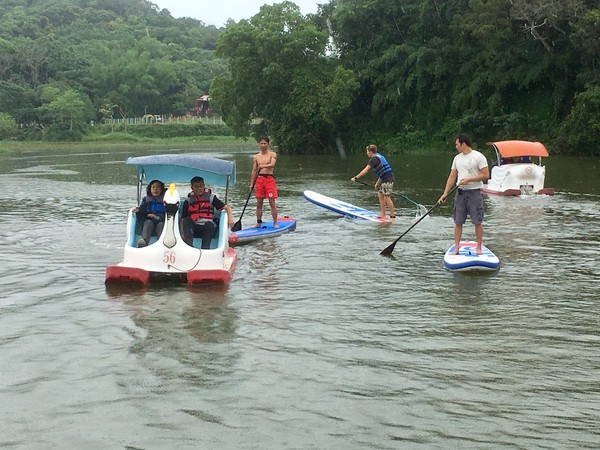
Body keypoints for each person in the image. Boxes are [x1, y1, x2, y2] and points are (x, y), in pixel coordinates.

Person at [438, 134, 489, 255]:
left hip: (474, 192)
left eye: (457, 144)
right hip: (460, 193)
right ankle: (456, 247)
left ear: (463, 144)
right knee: (458, 221)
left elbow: (486, 175)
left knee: (477, 221)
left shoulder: (478, 157)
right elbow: (452, 177)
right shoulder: (457, 158)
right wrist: (445, 194)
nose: (456, 146)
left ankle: (479, 247)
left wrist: (469, 180)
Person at [181, 176, 234, 249]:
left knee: (209, 224)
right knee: (187, 220)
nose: (198, 189)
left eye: (200, 186)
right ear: (192, 188)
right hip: (194, 229)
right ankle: (189, 246)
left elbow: (227, 208)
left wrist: (230, 220)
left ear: (204, 186)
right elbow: (183, 219)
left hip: (208, 229)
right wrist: (182, 236)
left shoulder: (211, 198)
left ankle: (205, 249)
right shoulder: (188, 200)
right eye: (196, 187)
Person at [350, 144, 395, 220]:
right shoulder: (379, 156)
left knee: (387, 197)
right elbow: (383, 172)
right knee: (380, 194)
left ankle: (392, 217)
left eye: (367, 151)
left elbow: (365, 170)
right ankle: (383, 215)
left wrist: (356, 177)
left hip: (388, 179)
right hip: (384, 178)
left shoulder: (374, 159)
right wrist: (378, 183)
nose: (367, 153)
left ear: (370, 151)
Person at [250, 136, 278, 228]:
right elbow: (254, 171)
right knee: (259, 202)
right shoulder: (256, 157)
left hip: (269, 179)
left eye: (265, 143)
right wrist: (251, 184)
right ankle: (258, 222)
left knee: (271, 202)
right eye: (261, 143)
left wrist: (263, 166)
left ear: (268, 144)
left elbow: (272, 164)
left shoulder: (272, 154)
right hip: (260, 179)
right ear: (259, 144)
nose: (263, 145)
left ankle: (275, 223)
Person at [134, 179, 166, 248]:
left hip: (161, 221)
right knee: (148, 222)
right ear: (150, 188)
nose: (155, 189)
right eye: (153, 187)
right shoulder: (146, 200)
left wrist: (158, 217)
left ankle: (161, 244)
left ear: (161, 189)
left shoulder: (165, 200)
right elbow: (143, 210)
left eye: (158, 187)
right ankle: (144, 242)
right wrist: (138, 210)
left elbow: (168, 213)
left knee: (161, 225)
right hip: (150, 221)